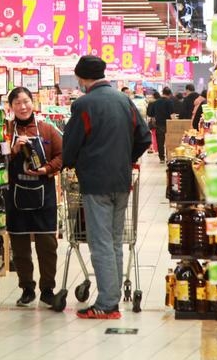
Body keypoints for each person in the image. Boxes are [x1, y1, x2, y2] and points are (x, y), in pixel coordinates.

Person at [62, 55, 151, 319]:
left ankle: (106, 303)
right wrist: (127, 159)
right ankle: (111, 298)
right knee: (114, 241)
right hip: (121, 182)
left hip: (96, 183)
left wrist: (71, 162)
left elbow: (71, 144)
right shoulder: (125, 101)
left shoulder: (84, 104)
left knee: (100, 242)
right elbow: (144, 138)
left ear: (81, 77)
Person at [5, 87, 64, 308]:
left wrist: (46, 169)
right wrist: (12, 150)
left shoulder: (47, 130)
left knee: (47, 244)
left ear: (33, 102)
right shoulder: (5, 131)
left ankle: (47, 289)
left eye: (26, 101)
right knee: (20, 245)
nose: (23, 107)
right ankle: (27, 289)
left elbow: (62, 154)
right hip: (15, 194)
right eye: (17, 103)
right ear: (11, 107)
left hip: (44, 194)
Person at [150, 87, 176, 164]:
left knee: (160, 142)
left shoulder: (156, 102)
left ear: (162, 93)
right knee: (169, 142)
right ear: (169, 94)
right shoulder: (169, 102)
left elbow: (152, 114)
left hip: (159, 124)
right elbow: (172, 114)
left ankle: (161, 158)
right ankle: (169, 156)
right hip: (168, 124)